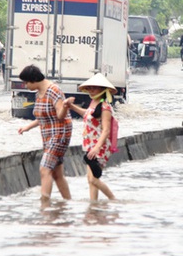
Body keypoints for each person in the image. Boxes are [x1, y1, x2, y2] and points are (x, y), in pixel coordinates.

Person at [17, 65, 72, 205]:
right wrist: (27, 127)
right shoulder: (38, 93)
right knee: (57, 173)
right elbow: (43, 116)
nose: (25, 85)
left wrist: (65, 106)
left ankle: (45, 204)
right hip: (47, 135)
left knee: (44, 168)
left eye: (26, 82)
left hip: (60, 134)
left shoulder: (54, 91)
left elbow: (60, 115)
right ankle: (68, 202)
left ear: (34, 80)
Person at [64, 73, 117, 201]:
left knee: (93, 179)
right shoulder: (94, 103)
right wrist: (71, 107)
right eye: (90, 88)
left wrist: (96, 148)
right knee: (91, 179)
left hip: (100, 146)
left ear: (102, 89)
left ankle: (113, 200)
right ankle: (93, 204)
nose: (91, 90)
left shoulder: (105, 107)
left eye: (95, 88)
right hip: (90, 144)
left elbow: (106, 130)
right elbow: (87, 114)